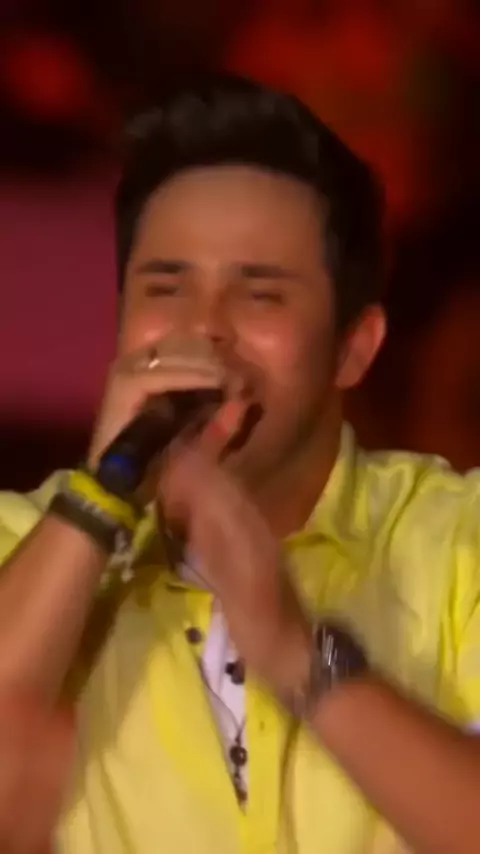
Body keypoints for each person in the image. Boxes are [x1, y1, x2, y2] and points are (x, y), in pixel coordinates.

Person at [0, 74, 479, 854]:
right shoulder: (25, 545)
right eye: (166, 288)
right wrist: (100, 503)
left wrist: (304, 659)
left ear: (354, 348)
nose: (203, 329)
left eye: (260, 296)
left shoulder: (460, 541)